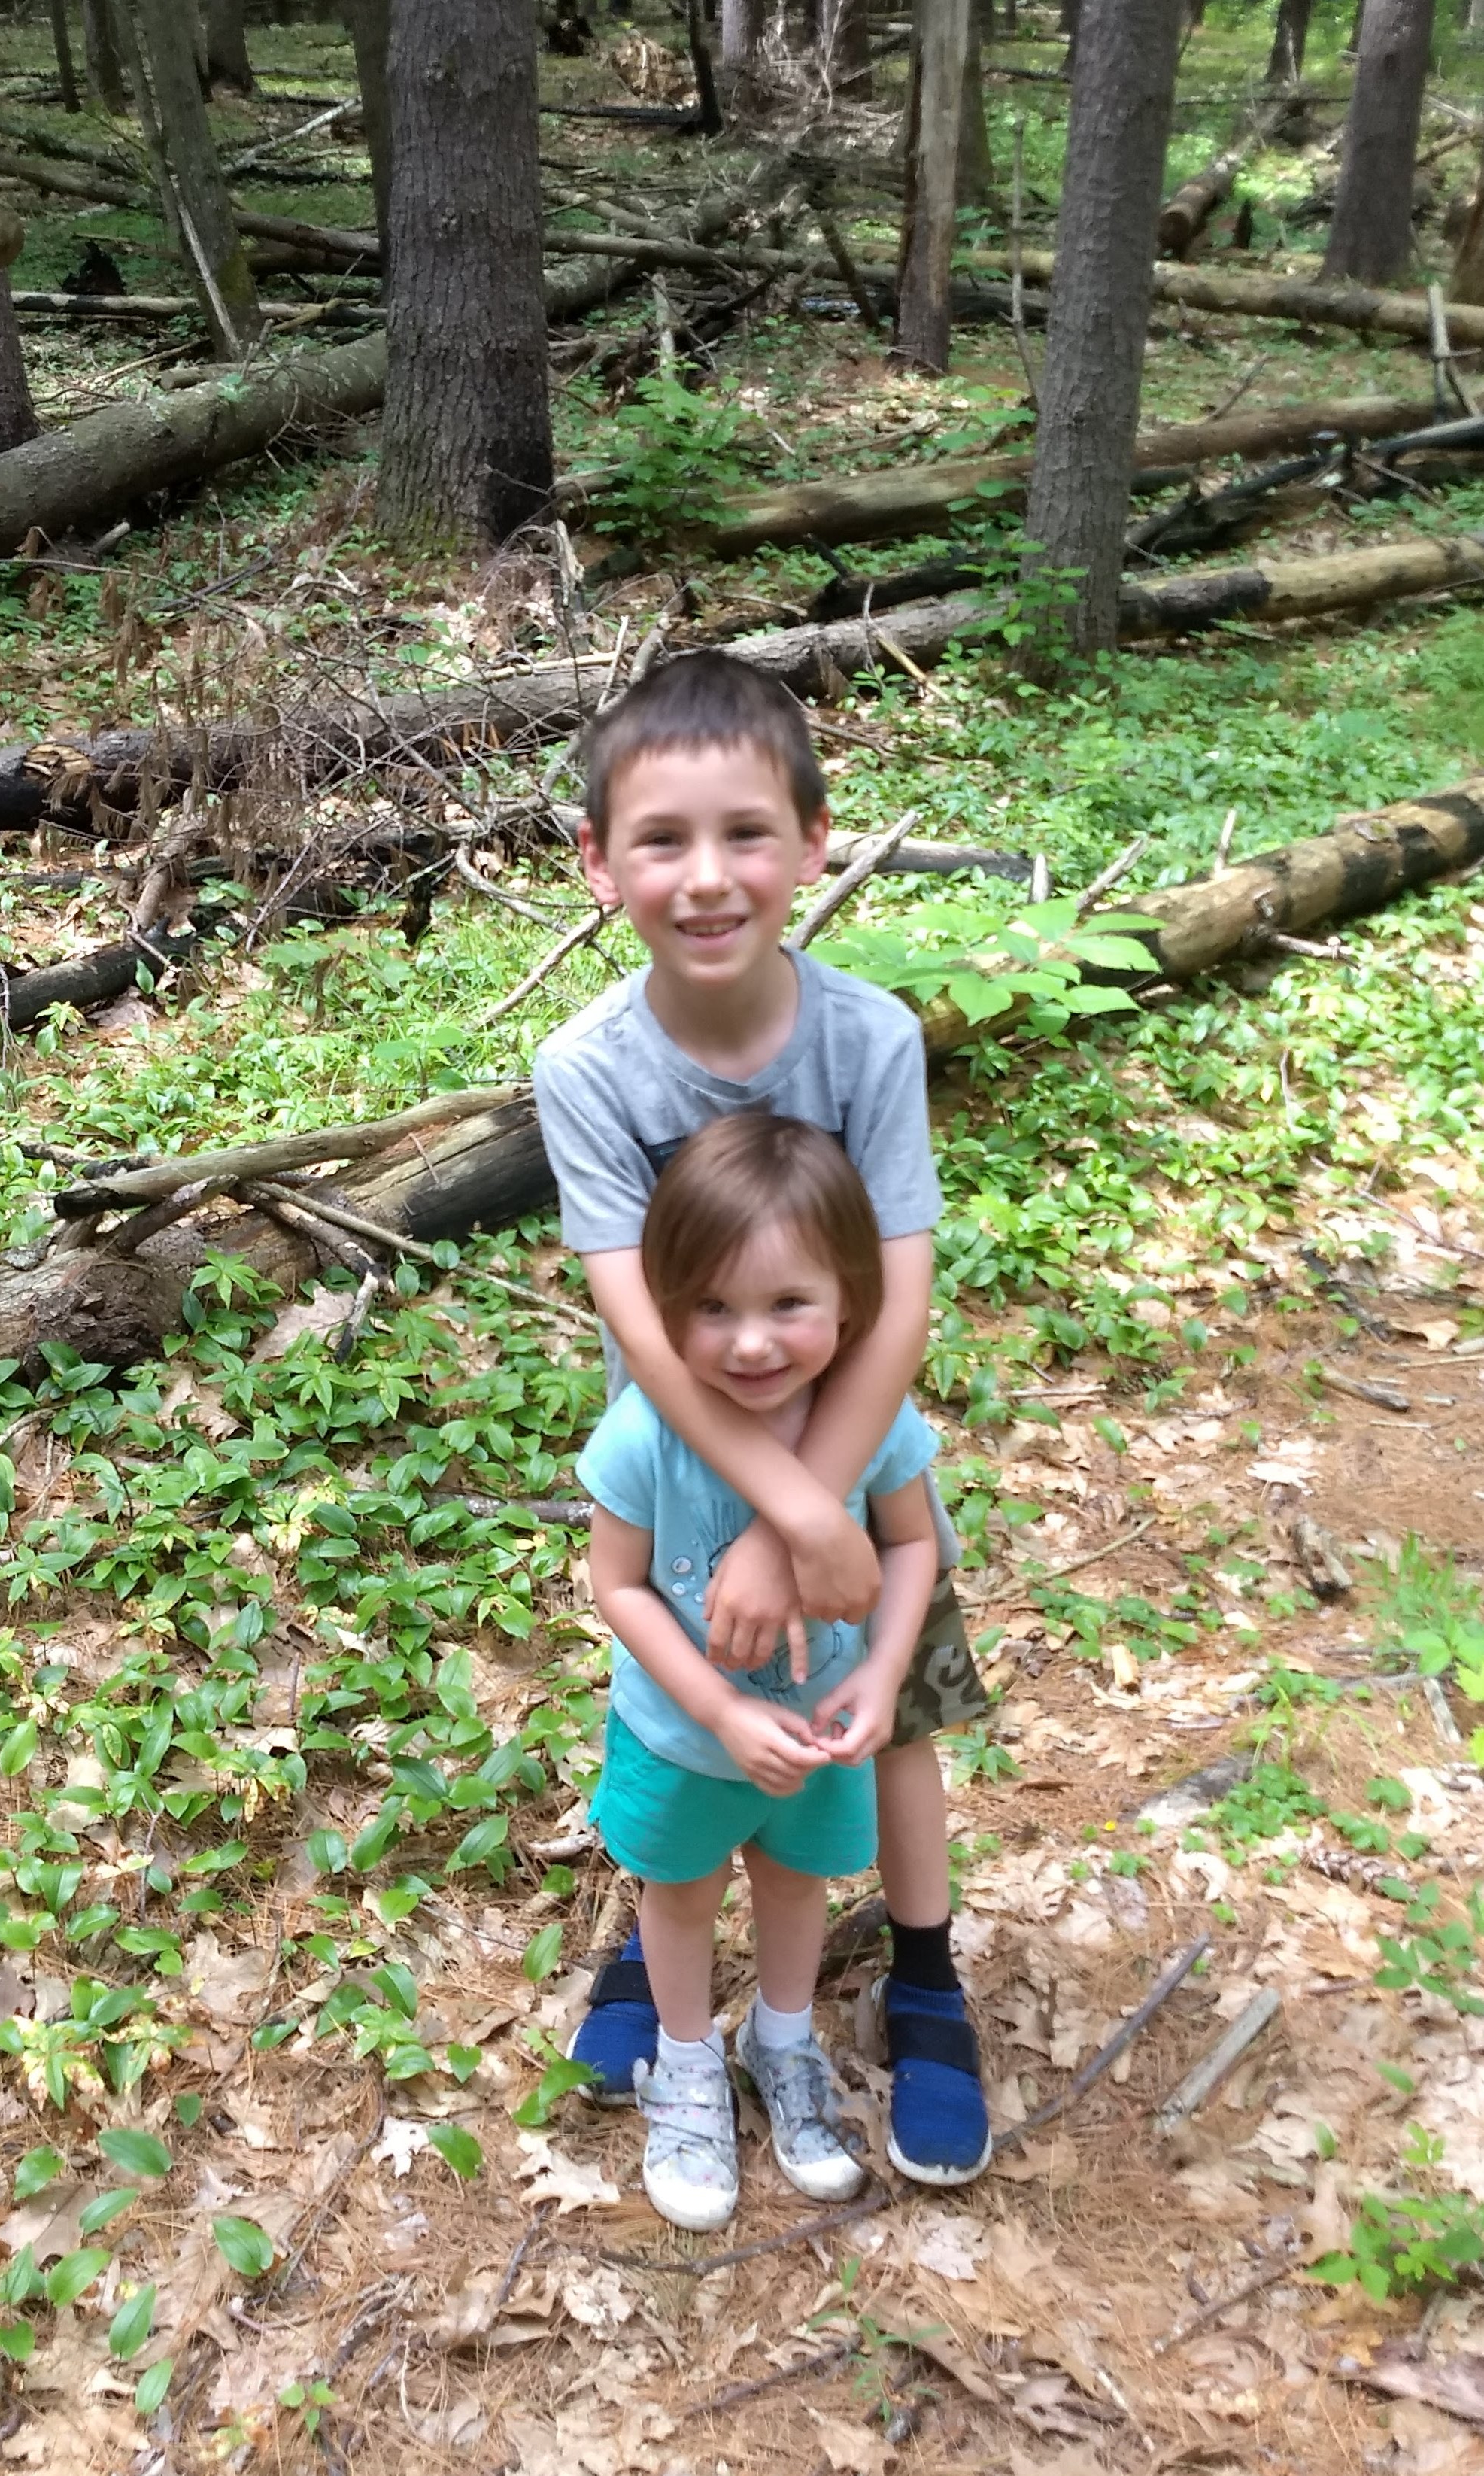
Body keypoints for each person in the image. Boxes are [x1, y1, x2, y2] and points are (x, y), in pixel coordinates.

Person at [531, 648, 992, 2189]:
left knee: (888, 1702)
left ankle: (923, 1977)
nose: (709, 874)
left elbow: (898, 1306)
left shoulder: (867, 1040)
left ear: (811, 840)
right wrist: (774, 1512)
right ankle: (655, 1953)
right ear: (599, 862)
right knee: (684, 1715)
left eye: (746, 832)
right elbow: (639, 1324)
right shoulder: (588, 1067)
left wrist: (819, 1510)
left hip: (860, 1449)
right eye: (662, 838)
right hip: (682, 1463)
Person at [580, 1112, 942, 2228]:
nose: (750, 1344)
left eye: (788, 1305)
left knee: (795, 1884)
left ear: (850, 1302)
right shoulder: (645, 1435)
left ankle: (782, 2041)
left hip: (821, 1731)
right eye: (714, 1308)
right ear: (664, 1307)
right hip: (685, 1738)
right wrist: (718, 1708)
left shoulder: (869, 1426)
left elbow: (912, 1544)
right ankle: (686, 2063)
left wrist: (884, 1674)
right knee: (682, 1895)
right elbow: (618, 1585)